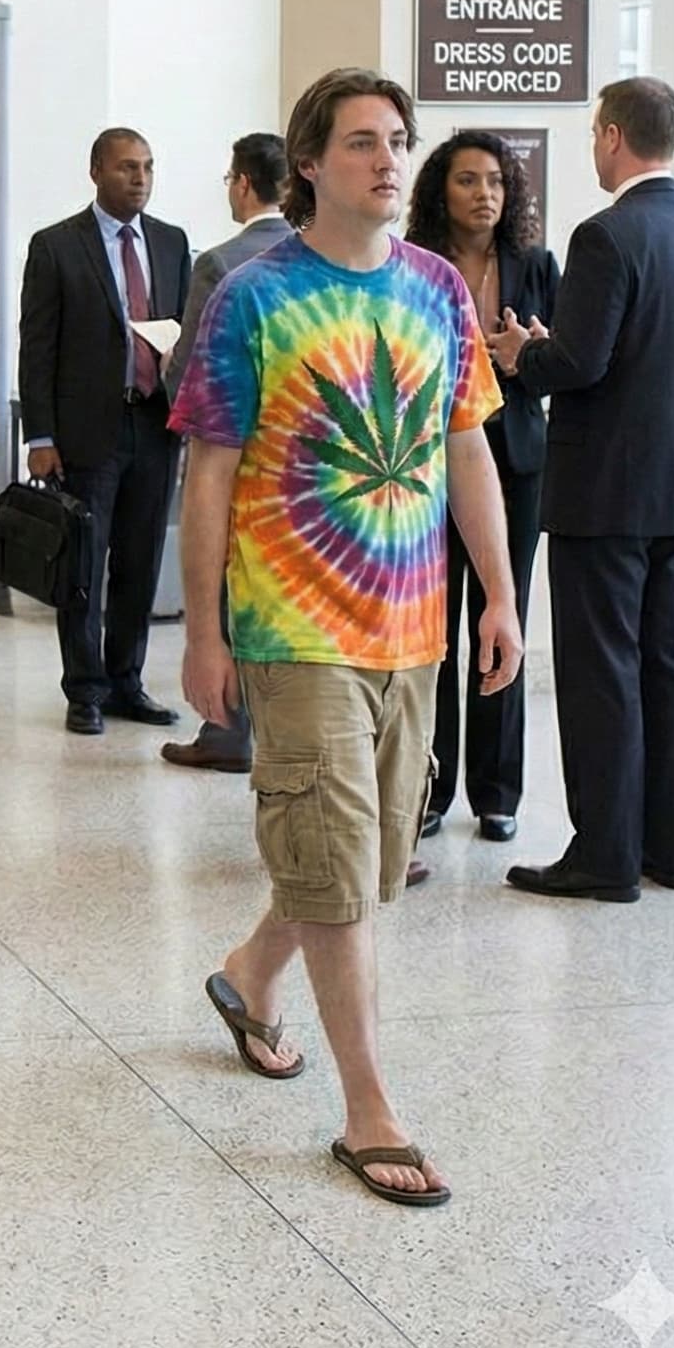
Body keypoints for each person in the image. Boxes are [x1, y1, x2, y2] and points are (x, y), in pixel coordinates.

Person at [173, 68, 522, 1209]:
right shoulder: (254, 296)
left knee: (364, 864)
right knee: (334, 857)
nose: (388, 158)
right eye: (364, 141)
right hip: (291, 622)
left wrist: (500, 596)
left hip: (409, 623)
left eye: (398, 140)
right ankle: (367, 1105)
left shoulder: (432, 289)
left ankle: (245, 973)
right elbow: (209, 468)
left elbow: (465, 447)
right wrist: (203, 631)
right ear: (309, 163)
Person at [491, 78, 674, 902]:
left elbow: (580, 364)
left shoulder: (605, 236)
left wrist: (521, 351)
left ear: (609, 136)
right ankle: (669, 851)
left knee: (602, 671)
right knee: (667, 665)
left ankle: (604, 856)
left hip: (604, 492)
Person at [404, 133, 560, 844]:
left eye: (496, 182)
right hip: (431, 463)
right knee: (433, 633)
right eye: (468, 181)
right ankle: (429, 789)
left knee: (502, 619)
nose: (484, 195)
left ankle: (498, 794)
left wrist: (528, 354)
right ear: (442, 190)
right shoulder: (413, 267)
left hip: (515, 463)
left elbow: (560, 357)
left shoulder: (537, 263)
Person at [19, 128, 192, 735]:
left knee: (140, 562)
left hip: (154, 422)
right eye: (126, 167)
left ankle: (126, 681)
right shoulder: (57, 246)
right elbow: (37, 346)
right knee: (85, 567)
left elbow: (184, 331)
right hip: (87, 430)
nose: (139, 178)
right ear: (96, 170)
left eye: (147, 166)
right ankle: (84, 689)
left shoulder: (171, 244)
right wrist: (40, 437)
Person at [158, 131, 292, 772]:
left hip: (237, 459)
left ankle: (226, 728)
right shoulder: (319, 259)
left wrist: (162, 364)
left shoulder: (220, 263)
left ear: (242, 183)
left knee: (228, 586)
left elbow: (191, 373)